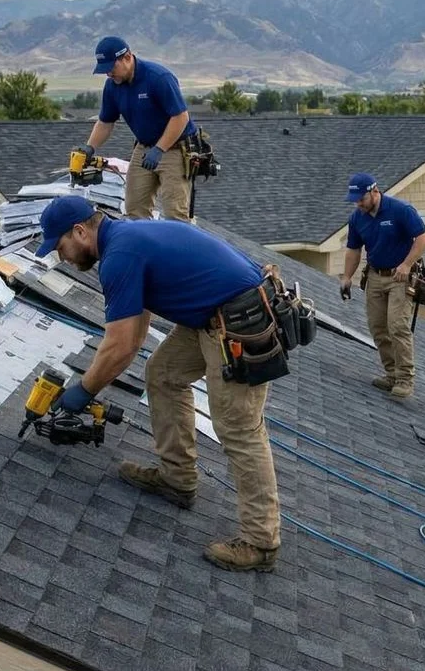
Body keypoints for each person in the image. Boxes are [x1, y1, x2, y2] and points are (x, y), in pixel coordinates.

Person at [36, 196, 281, 571]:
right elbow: (134, 335)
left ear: (80, 231)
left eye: (60, 247)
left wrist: (84, 391)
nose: (62, 257)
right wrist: (91, 384)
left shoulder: (119, 256)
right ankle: (177, 478)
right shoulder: (127, 238)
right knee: (163, 374)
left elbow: (119, 346)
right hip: (213, 315)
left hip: (239, 321)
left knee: (239, 427)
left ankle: (261, 543)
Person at [75, 36, 200, 221]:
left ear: (127, 57)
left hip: (174, 147)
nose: (109, 74)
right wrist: (89, 147)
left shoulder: (158, 78)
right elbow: (105, 122)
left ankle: (180, 239)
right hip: (144, 148)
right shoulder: (112, 86)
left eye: (111, 68)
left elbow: (181, 117)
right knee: (134, 209)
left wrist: (160, 149)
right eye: (105, 70)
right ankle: (142, 239)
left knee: (174, 214)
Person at [338, 173, 425, 399]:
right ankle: (391, 374)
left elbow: (423, 237)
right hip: (375, 276)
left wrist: (407, 265)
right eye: (355, 201)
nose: (358, 204)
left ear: (374, 191)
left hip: (400, 277)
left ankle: (405, 379)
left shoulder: (400, 210)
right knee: (378, 327)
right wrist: (347, 277)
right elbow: (353, 249)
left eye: (361, 199)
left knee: (397, 326)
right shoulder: (357, 218)